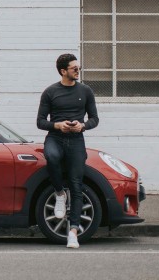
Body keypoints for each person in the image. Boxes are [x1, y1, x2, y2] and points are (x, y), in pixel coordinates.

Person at [36, 53, 99, 248]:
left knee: (76, 184)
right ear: (63, 71)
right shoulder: (50, 92)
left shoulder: (86, 91)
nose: (78, 70)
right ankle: (59, 194)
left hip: (76, 139)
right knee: (52, 157)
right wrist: (58, 126)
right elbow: (40, 122)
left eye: (78, 67)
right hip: (56, 137)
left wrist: (83, 126)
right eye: (74, 68)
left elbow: (95, 119)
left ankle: (73, 232)